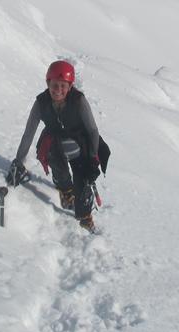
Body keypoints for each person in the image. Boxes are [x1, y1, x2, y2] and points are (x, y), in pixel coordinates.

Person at [6, 60, 109, 232]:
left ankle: (85, 216)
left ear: (70, 86)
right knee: (51, 152)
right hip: (56, 141)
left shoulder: (79, 101)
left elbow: (92, 130)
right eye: (54, 85)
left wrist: (92, 158)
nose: (58, 90)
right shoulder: (41, 103)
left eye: (63, 86)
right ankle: (66, 190)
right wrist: (19, 161)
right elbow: (29, 133)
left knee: (83, 177)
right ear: (48, 83)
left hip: (82, 144)